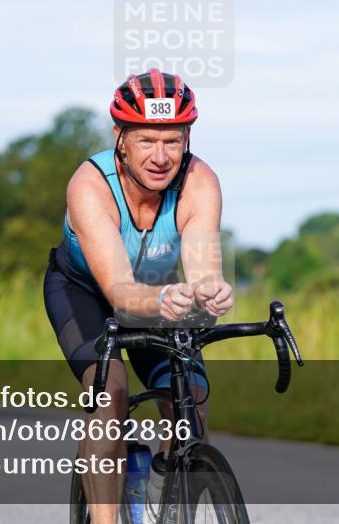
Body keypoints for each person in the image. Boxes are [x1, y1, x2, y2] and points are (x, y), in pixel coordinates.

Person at [44, 68, 234, 524]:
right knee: (110, 392)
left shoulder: (199, 182)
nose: (161, 156)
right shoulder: (90, 186)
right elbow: (122, 293)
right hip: (86, 293)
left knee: (191, 397)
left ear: (187, 137)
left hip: (158, 294)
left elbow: (203, 265)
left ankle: (160, 500)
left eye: (173, 140)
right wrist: (166, 297)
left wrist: (210, 287)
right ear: (121, 136)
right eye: (147, 140)